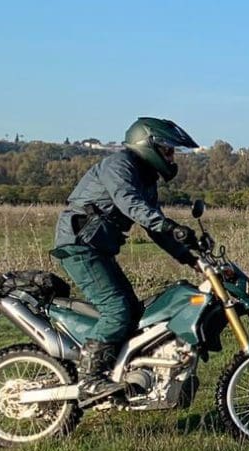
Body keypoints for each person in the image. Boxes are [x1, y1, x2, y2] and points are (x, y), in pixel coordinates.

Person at [51, 117, 201, 398]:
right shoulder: (119, 165)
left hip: (98, 250)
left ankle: (121, 373)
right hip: (79, 246)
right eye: (168, 150)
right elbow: (129, 203)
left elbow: (154, 228)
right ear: (148, 145)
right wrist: (168, 225)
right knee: (117, 309)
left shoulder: (146, 178)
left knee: (133, 311)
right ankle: (90, 379)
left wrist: (189, 255)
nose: (172, 158)